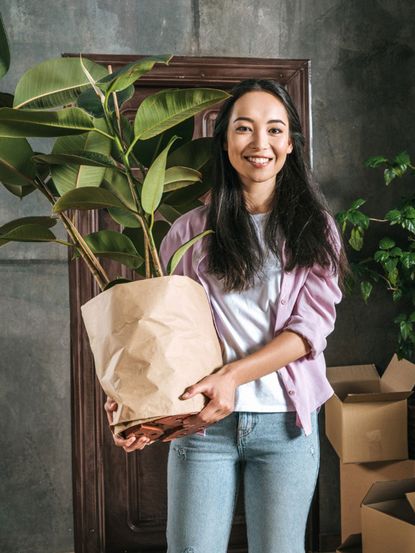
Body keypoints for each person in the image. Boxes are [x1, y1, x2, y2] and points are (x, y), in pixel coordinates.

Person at [105, 78, 348, 553]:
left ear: (291, 146)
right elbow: (164, 336)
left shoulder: (314, 229)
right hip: (203, 426)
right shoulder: (188, 232)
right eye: (244, 128)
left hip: (287, 425)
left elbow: (309, 331)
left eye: (275, 130)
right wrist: (131, 401)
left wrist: (232, 376)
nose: (261, 144)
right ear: (224, 140)